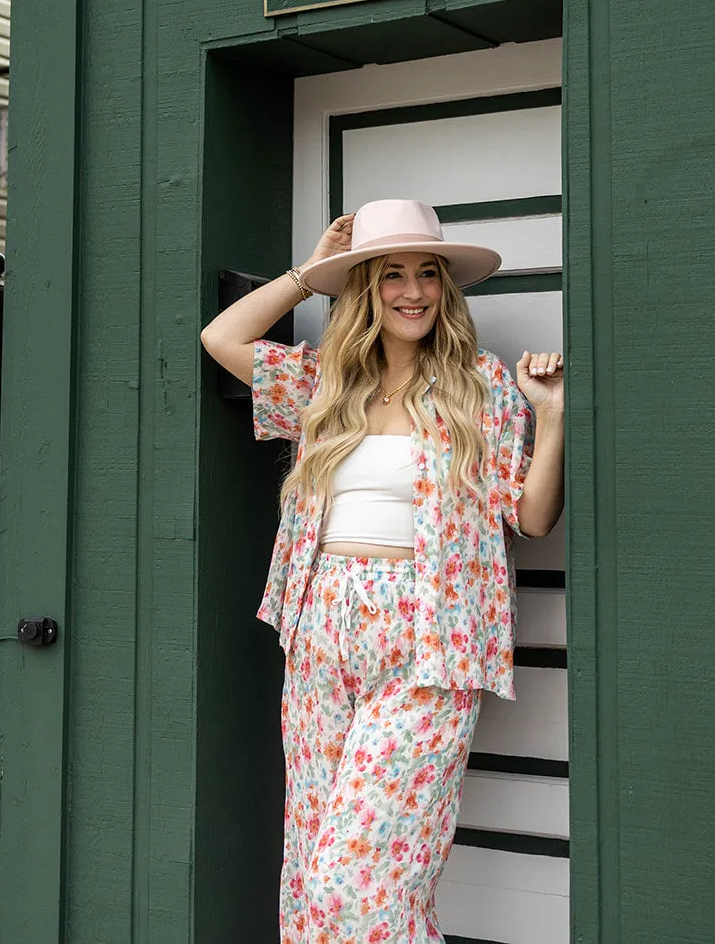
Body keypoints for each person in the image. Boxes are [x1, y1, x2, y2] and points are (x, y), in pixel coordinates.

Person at [200, 198, 565, 943]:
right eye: (391, 273)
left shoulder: (480, 387)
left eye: (428, 273)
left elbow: (531, 517)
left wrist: (551, 418)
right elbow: (220, 336)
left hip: (428, 639)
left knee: (355, 882)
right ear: (364, 289)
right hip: (320, 629)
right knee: (309, 874)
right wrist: (308, 273)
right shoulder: (324, 385)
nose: (413, 290)